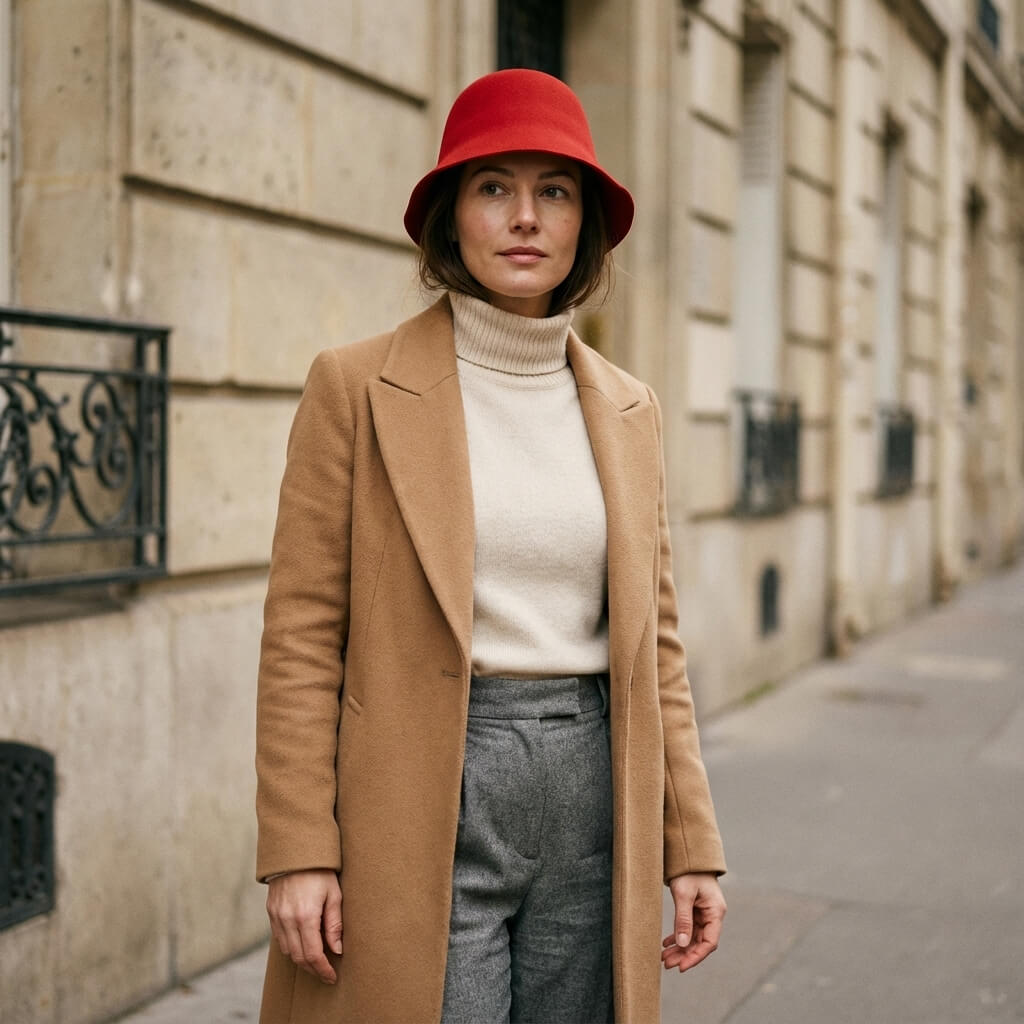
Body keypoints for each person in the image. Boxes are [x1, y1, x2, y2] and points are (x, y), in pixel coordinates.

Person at [255, 68, 726, 1024]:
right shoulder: (354, 387)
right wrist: (300, 847)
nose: (525, 216)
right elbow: (303, 633)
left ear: (583, 223)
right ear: (452, 216)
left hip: (594, 788)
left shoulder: (630, 409)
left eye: (553, 191)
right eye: (494, 187)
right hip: (420, 787)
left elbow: (657, 648)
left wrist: (690, 842)